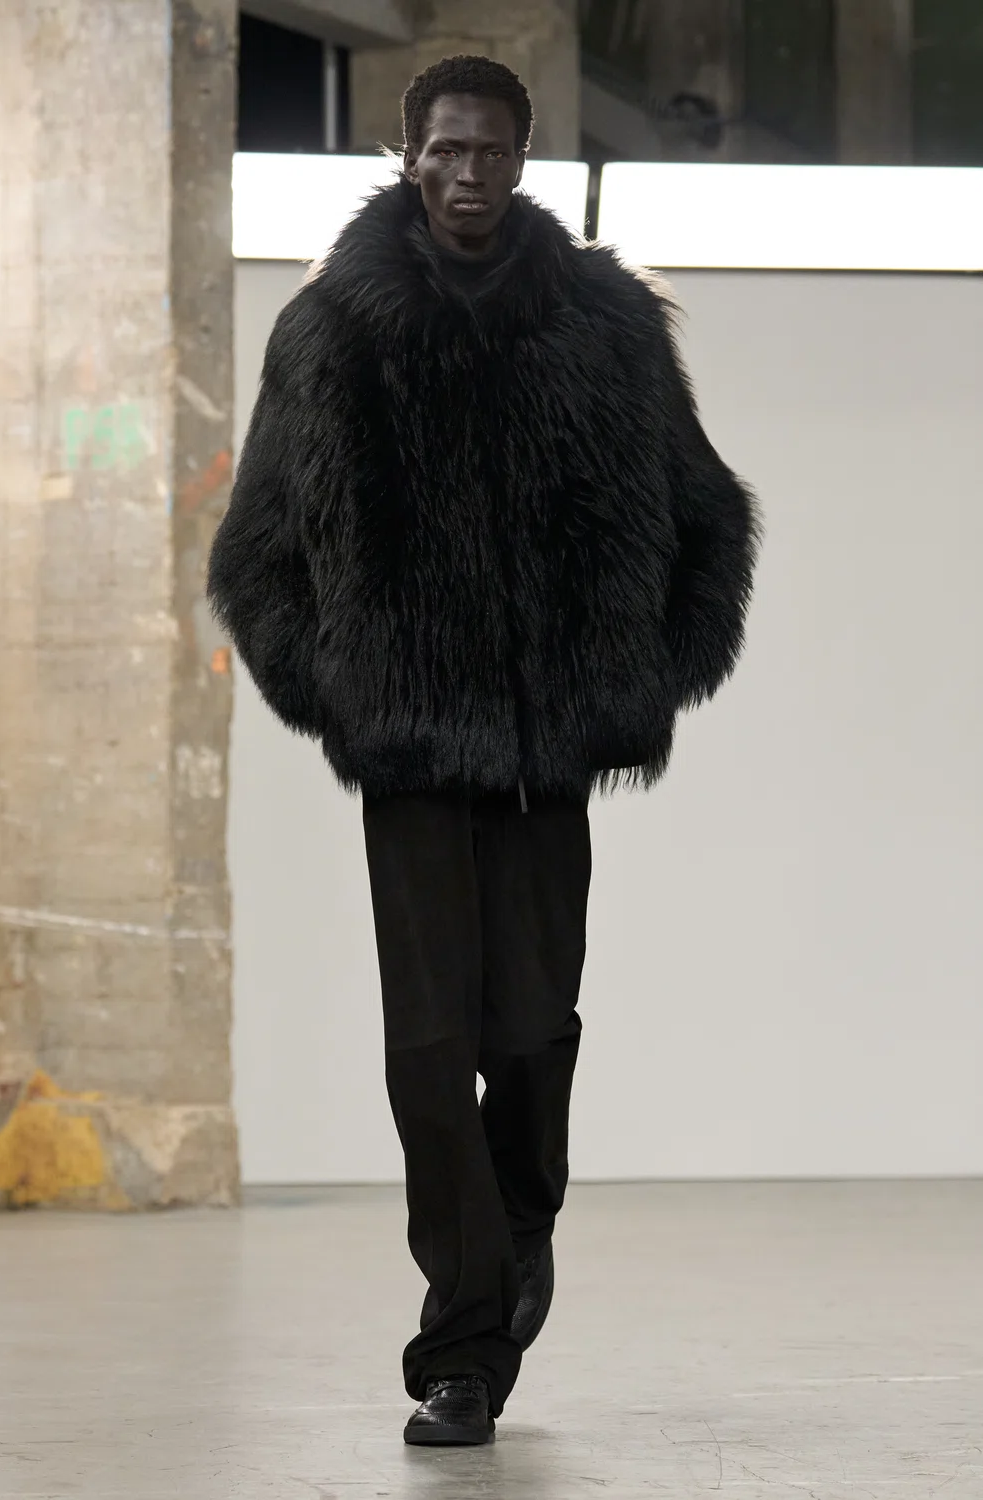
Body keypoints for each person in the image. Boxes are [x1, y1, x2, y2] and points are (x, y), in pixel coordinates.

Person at [207, 54, 760, 1448]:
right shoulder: (334, 328)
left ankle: (521, 1231)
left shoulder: (608, 327)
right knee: (427, 1050)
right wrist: (347, 698)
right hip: (410, 762)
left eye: (492, 151)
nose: (468, 174)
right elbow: (257, 553)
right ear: (411, 155)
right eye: (446, 150)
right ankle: (460, 1344)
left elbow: (709, 517)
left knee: (528, 1040)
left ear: (524, 159)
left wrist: (641, 681)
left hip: (547, 760)